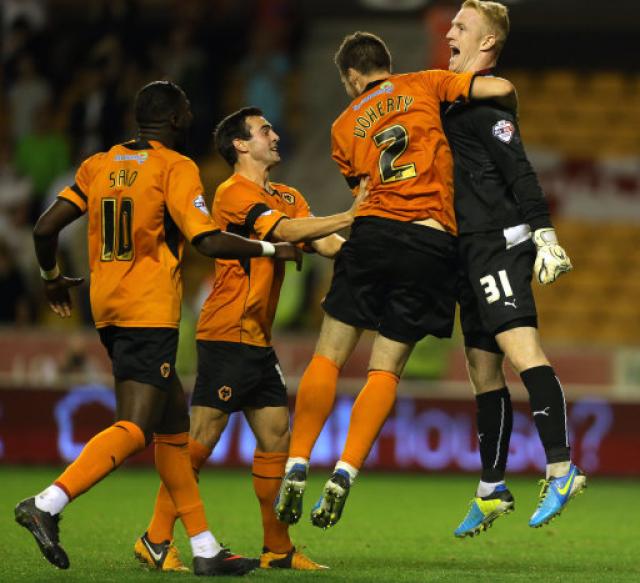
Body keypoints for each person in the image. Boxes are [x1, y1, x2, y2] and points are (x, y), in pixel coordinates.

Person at [14, 81, 301, 577]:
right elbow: (207, 242)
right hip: (148, 309)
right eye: (187, 110)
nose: (191, 117)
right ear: (173, 120)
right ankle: (48, 502)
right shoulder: (175, 166)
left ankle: (205, 549)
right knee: (136, 426)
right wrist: (273, 249)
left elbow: (44, 228)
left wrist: (52, 279)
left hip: (106, 306)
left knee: (172, 432)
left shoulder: (99, 163)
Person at [275, 31, 517, 529]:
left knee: (329, 355)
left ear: (350, 77)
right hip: (432, 243)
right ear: (386, 63)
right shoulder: (426, 83)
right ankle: (346, 471)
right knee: (384, 370)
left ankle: (298, 460)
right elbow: (496, 90)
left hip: (376, 232)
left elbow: (362, 190)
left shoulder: (343, 126)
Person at [133, 106, 368, 572]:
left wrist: (372, 247)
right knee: (200, 439)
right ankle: (155, 538)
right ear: (241, 145)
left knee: (276, 436)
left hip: (257, 339)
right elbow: (282, 232)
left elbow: (321, 243)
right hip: (225, 332)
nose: (275, 135)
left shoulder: (287, 193)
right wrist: (348, 214)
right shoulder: (231, 194)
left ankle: (277, 549)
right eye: (265, 131)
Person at [441, 1, 585, 538]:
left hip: (499, 245)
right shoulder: (455, 104)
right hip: (469, 251)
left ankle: (560, 467)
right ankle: (491, 488)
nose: (449, 31)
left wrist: (544, 233)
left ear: (487, 44)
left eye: (460, 26)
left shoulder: (488, 106)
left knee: (524, 355)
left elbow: (520, 171)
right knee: (482, 372)